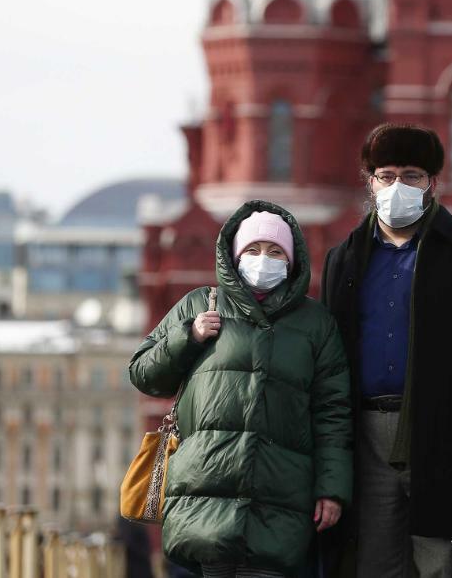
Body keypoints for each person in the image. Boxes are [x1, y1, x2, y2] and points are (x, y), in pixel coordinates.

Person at [320, 123, 452, 578]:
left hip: (449, 436)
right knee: (374, 565)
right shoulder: (344, 260)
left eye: (413, 175)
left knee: (444, 562)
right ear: (370, 180)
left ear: (432, 183)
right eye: (387, 174)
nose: (399, 186)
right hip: (367, 436)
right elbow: (329, 363)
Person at [128, 201, 352, 578]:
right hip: (204, 496)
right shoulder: (201, 304)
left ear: (292, 260)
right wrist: (188, 336)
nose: (263, 258)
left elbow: (333, 412)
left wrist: (332, 489)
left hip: (278, 500)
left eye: (275, 251)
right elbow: (144, 373)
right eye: (253, 249)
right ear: (234, 255)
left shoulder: (316, 324)